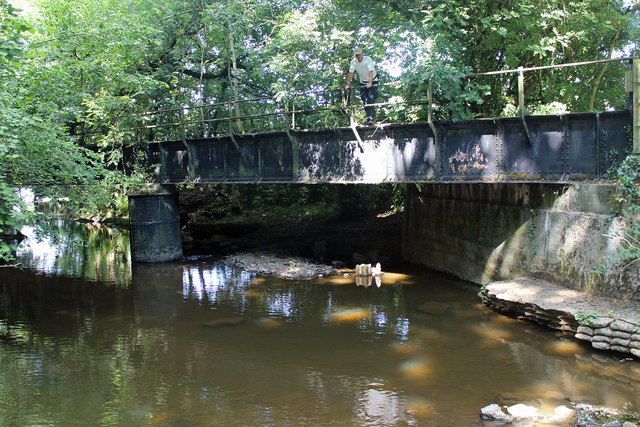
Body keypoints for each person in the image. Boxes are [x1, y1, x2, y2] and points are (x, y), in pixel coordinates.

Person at [345, 47, 379, 125]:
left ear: (362, 54)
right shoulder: (354, 62)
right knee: (364, 99)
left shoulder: (368, 59)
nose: (358, 57)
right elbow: (351, 73)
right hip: (363, 82)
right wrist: (348, 84)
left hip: (373, 80)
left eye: (359, 55)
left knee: (371, 98)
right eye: (356, 55)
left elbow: (371, 71)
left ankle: (371, 119)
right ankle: (368, 118)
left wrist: (370, 82)